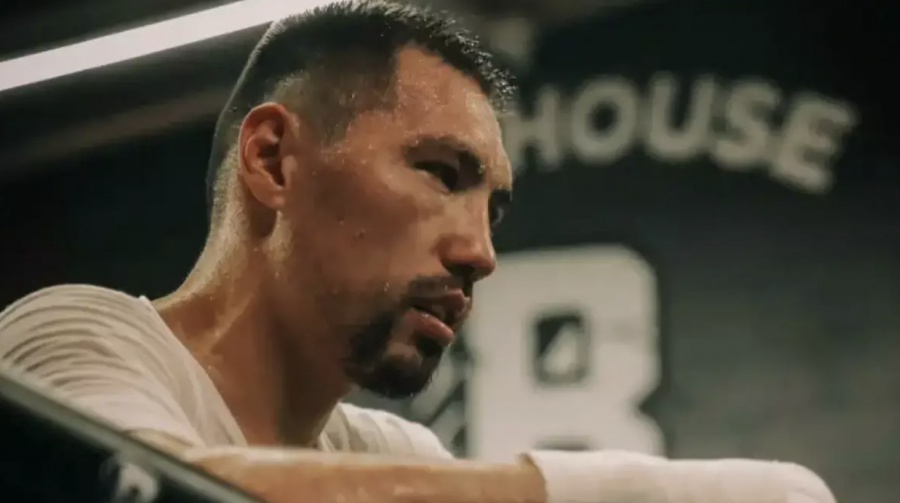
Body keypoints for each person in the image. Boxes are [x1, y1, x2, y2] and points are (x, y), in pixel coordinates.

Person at [0, 1, 837, 503]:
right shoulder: (75, 338)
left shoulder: (392, 459)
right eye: (440, 172)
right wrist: (647, 492)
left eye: (493, 209)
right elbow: (161, 487)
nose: (481, 253)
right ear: (274, 161)